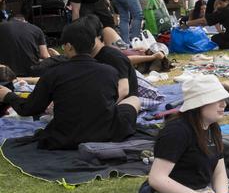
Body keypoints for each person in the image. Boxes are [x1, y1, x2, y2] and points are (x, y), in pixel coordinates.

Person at [0, 20, 140, 149]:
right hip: (106, 134)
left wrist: (8, 96)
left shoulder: (54, 73)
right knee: (134, 100)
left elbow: (29, 108)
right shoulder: (110, 72)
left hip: (65, 138)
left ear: (68, 47)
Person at [0, 7, 50, 77]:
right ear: (25, 21)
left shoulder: (2, 26)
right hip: (31, 72)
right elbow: (44, 55)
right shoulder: (37, 29)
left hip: (5, 73)